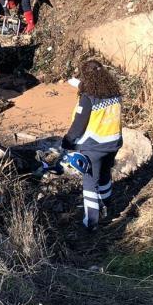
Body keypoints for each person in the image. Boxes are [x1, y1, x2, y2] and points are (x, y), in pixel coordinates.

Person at [61, 59, 123, 231]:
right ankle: (108, 207)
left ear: (86, 76)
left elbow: (79, 125)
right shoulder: (114, 92)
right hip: (113, 143)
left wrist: (67, 141)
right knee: (104, 176)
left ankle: (91, 223)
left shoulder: (87, 98)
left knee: (90, 184)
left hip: (94, 147)